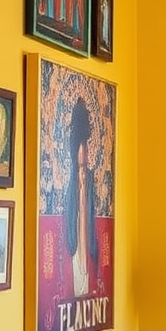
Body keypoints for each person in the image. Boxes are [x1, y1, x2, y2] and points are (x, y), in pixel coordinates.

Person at [65, 97, 98, 297]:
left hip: (85, 210)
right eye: (82, 148)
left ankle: (84, 284)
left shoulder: (89, 179)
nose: (84, 152)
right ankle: (79, 285)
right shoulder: (72, 179)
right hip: (77, 211)